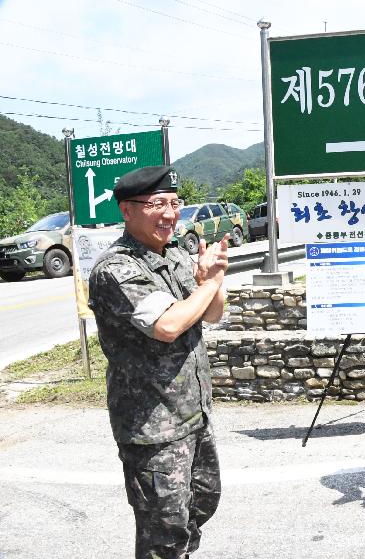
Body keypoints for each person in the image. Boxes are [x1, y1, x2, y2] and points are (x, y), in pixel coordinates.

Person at [88, 165, 229, 559]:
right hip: (151, 428)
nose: (170, 214)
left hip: (192, 415)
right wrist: (209, 286)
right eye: (157, 204)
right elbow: (168, 325)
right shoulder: (116, 268)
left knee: (199, 507)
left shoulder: (176, 254)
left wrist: (212, 279)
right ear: (127, 210)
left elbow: (211, 314)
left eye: (174, 203)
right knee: (162, 532)